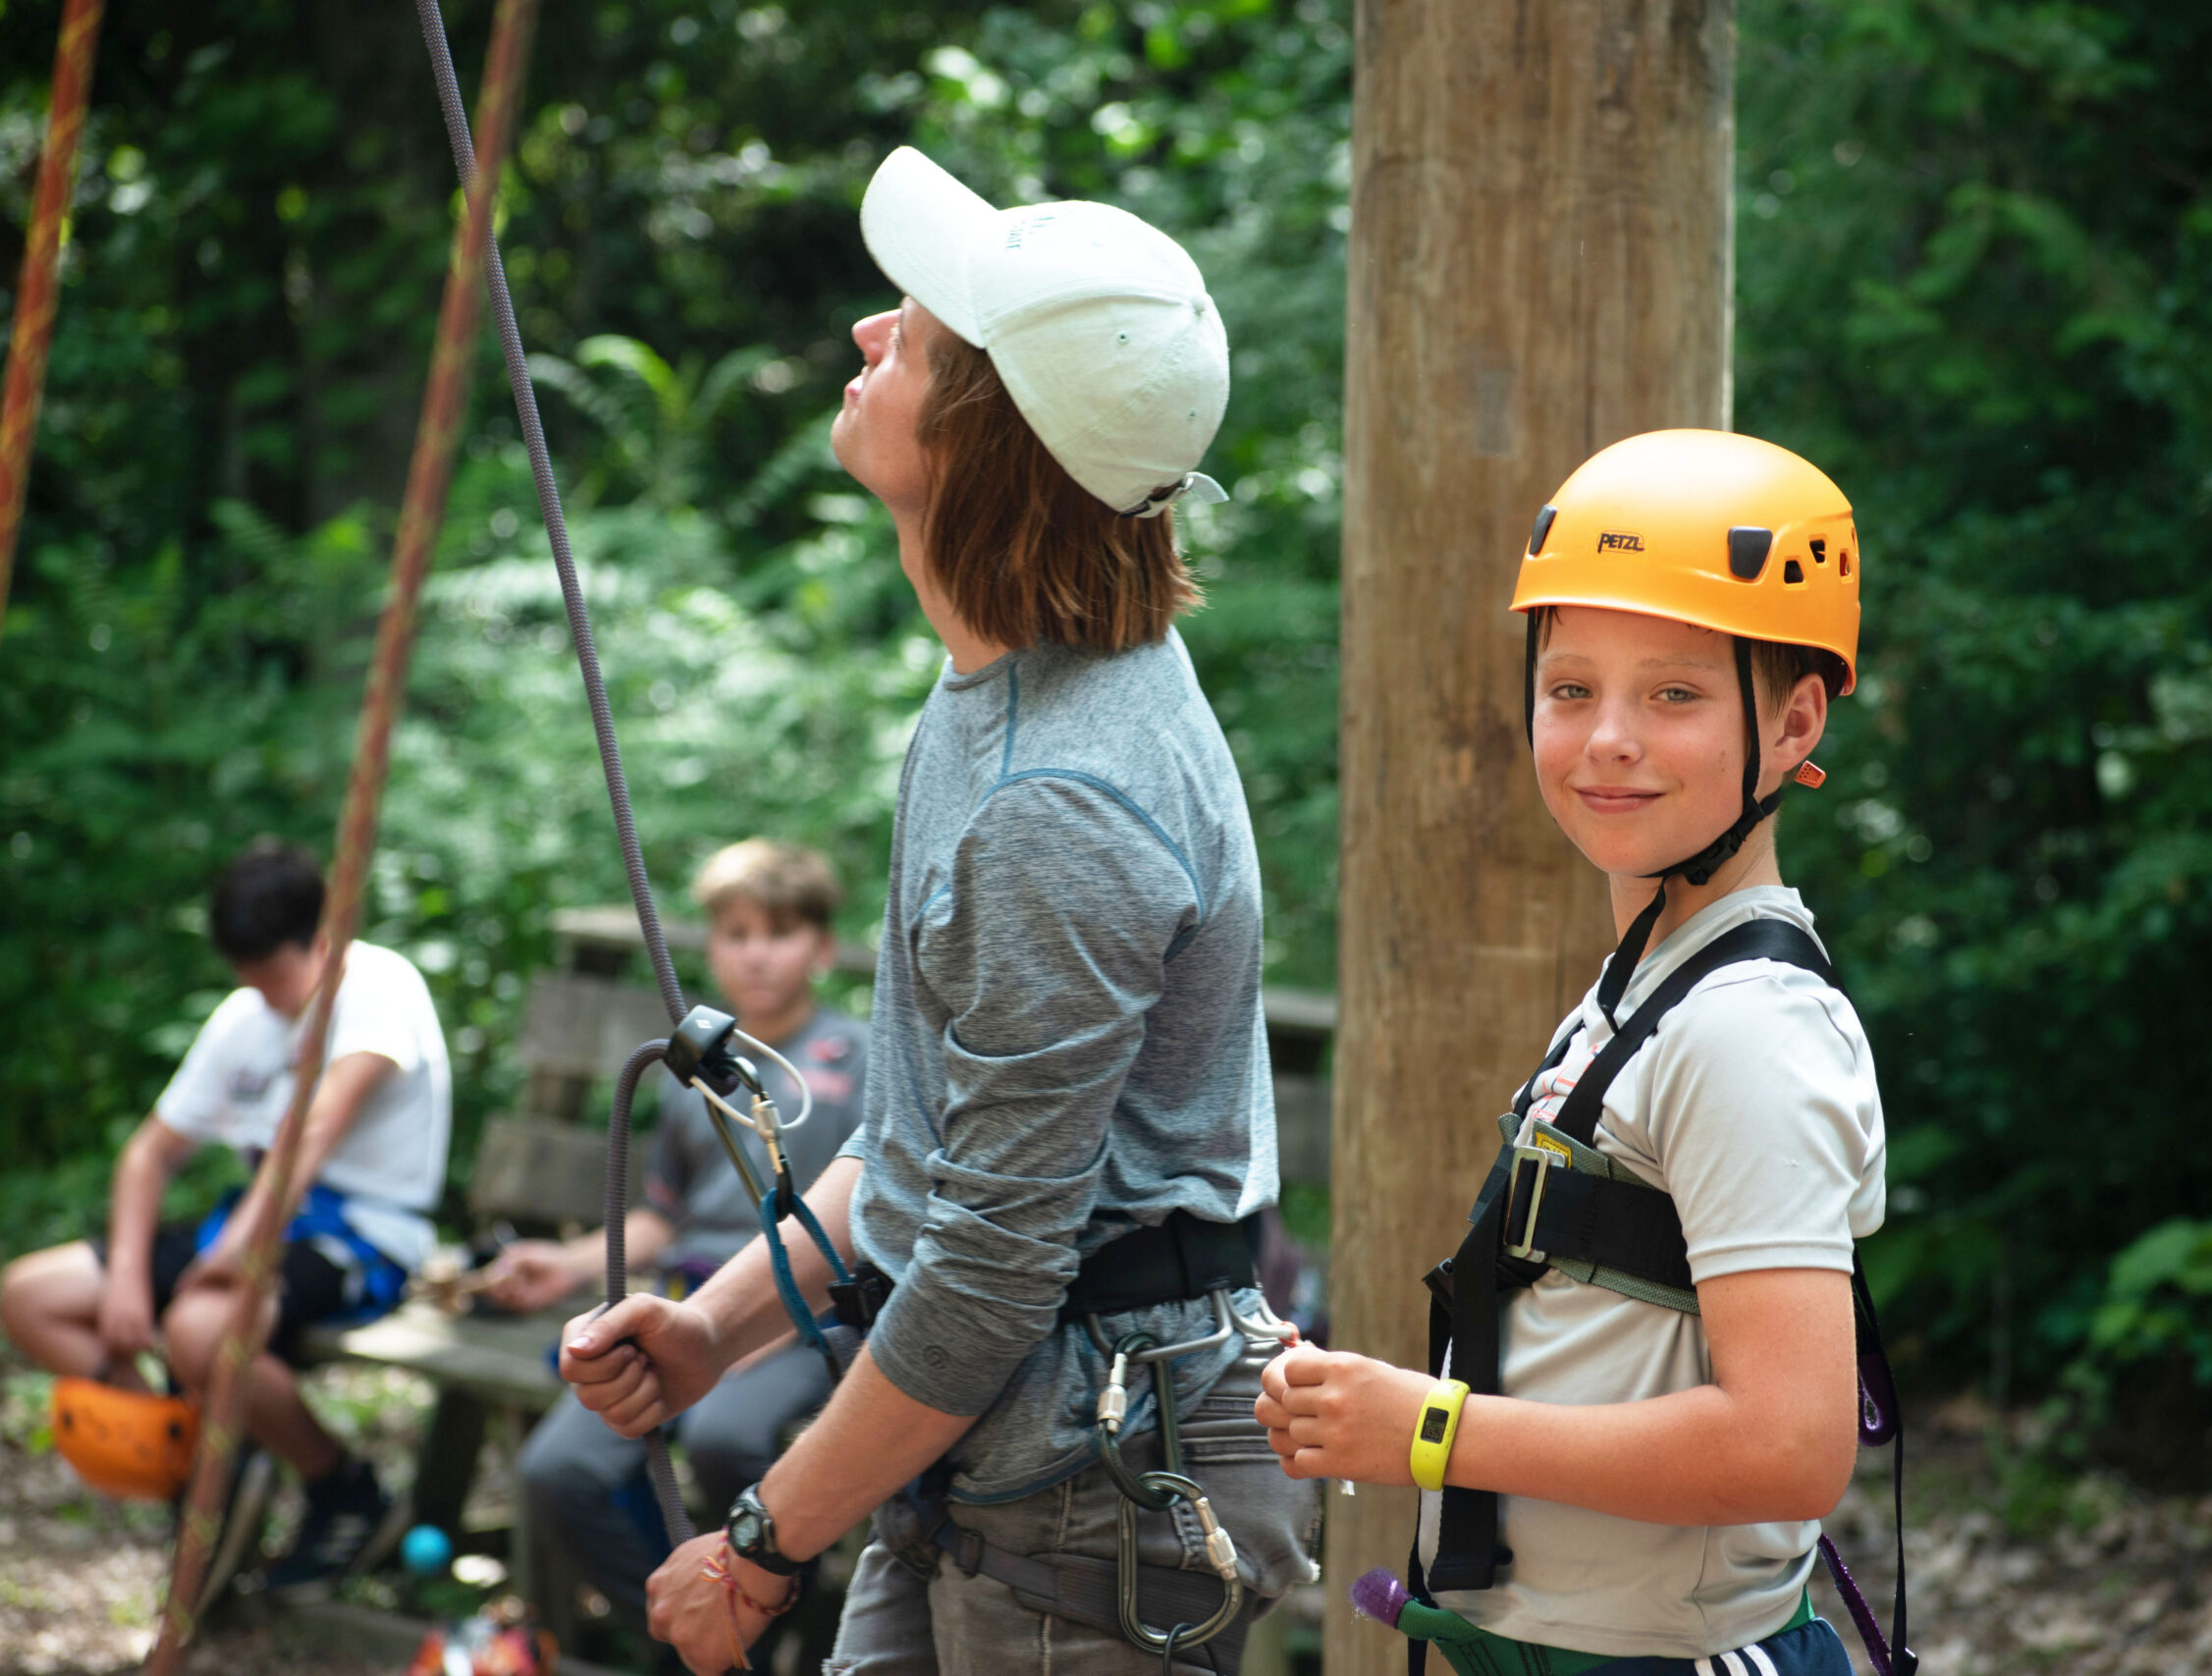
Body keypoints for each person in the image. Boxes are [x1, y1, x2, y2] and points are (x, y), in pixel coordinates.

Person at [555, 146, 1320, 1676]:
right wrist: (713, 1326)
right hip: (1012, 1447)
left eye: (910, 331)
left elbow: (987, 1268)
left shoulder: (1061, 796)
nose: (863, 336)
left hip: (1094, 1497)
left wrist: (763, 1545)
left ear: (988, 438)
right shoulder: (1003, 691)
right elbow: (931, 1143)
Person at [1255, 431, 1891, 1676]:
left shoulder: (1744, 1028)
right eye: (1568, 688)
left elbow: (1789, 1449)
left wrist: (1430, 1431)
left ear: (1794, 719)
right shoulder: (1648, 986)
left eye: (1674, 694)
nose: (1606, 737)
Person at [0, 838, 451, 1596]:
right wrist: (128, 1283)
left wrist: (233, 1252)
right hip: (248, 1217)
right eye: (245, 973)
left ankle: (342, 1486)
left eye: (272, 971)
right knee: (29, 1295)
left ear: (321, 938)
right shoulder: (247, 1015)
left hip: (361, 1235)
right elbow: (148, 1154)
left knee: (200, 1330)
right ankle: (197, 1443)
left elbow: (310, 1135)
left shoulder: (378, 988)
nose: (261, 990)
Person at [493, 839, 869, 1622]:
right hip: (683, 1297)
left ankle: (785, 1625)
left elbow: (872, 1215)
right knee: (556, 1469)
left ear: (823, 946)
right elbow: (663, 1214)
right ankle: (678, 1629)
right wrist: (563, 1264)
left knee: (727, 1440)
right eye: (736, 933)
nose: (756, 953)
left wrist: (752, 1328)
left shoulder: (854, 1059)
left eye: (779, 931)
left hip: (808, 1313)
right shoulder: (695, 1066)